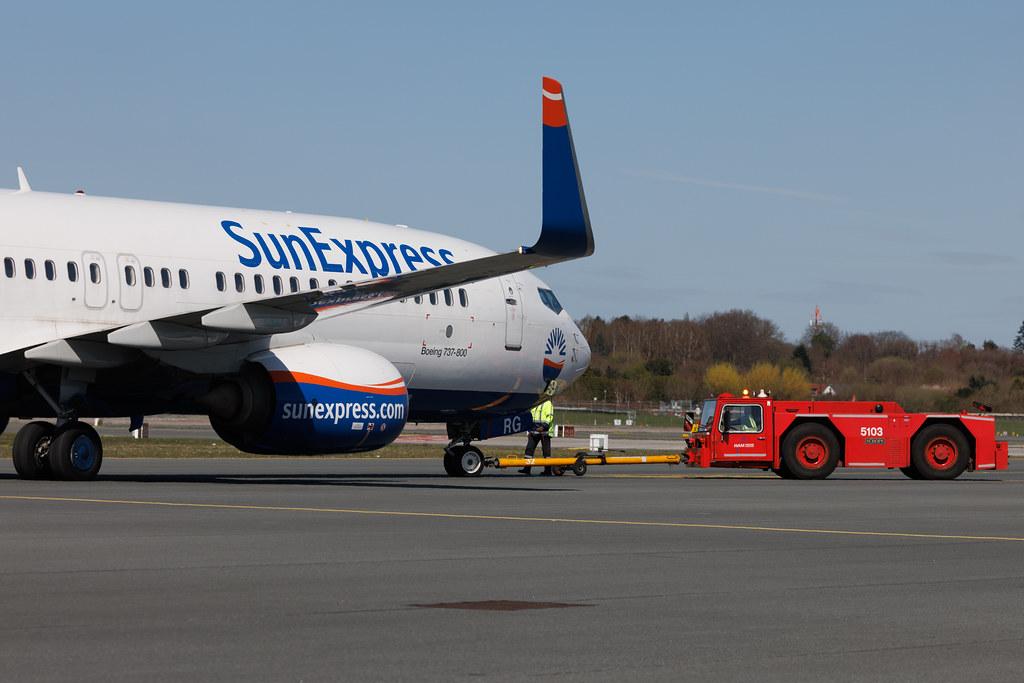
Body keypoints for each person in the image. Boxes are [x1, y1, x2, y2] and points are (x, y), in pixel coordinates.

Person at [520, 399, 554, 476]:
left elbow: (550, 417)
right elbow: (531, 416)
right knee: (529, 450)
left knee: (546, 452)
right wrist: (529, 430)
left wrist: (544, 426)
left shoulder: (547, 403)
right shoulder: (535, 403)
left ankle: (548, 470)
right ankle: (527, 468)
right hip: (534, 431)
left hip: (544, 432)